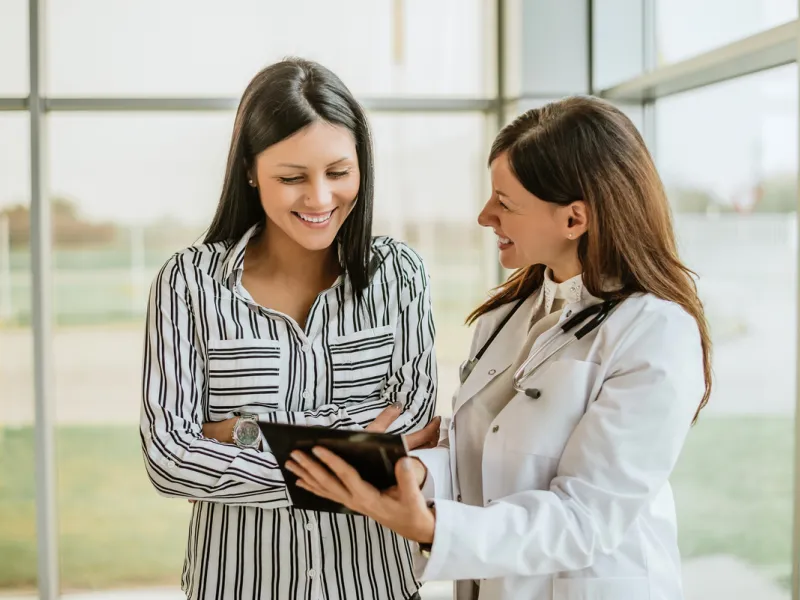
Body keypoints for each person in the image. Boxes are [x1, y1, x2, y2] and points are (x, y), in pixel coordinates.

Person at [287, 96, 712, 600]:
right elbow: (483, 457)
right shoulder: (504, 315)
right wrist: (411, 472)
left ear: (574, 220)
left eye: (505, 203)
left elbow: (586, 517)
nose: (485, 216)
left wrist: (433, 529)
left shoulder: (655, 332)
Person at [140, 58, 441, 600]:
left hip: (378, 585)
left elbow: (413, 426)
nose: (321, 199)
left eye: (338, 172)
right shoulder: (187, 283)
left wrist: (240, 432)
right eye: (292, 177)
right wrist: (357, 451)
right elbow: (170, 457)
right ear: (250, 171)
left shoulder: (401, 274)